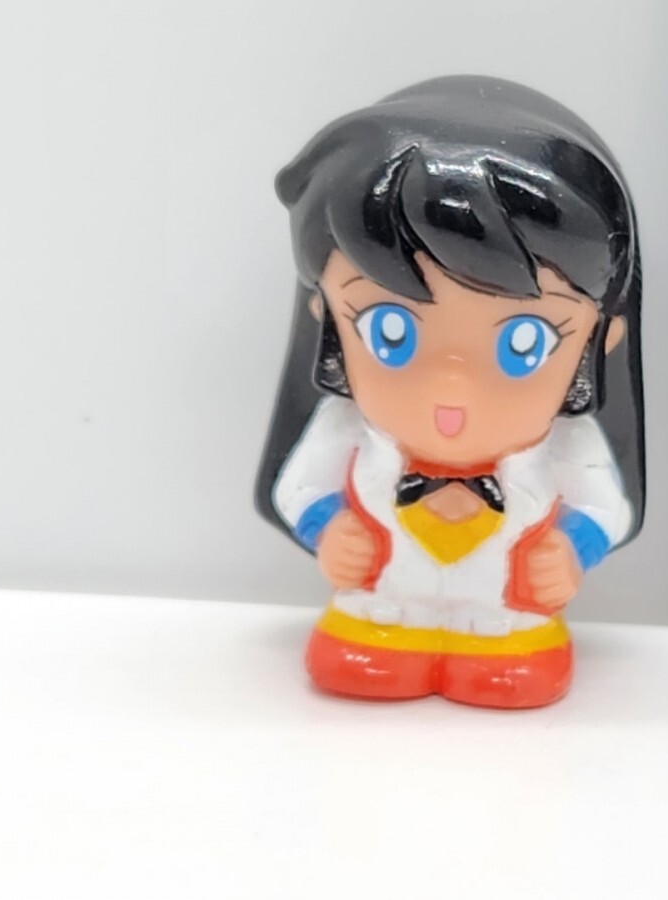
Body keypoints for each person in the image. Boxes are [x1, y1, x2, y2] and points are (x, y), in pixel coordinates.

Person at [255, 75, 645, 708]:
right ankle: (386, 641)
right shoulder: (344, 427)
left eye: (524, 343)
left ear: (597, 343)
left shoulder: (570, 443)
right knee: (363, 656)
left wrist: (571, 549)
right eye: (389, 332)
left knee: (507, 661)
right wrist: (330, 530)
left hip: (506, 619)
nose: (450, 389)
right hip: (380, 606)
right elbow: (297, 489)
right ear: (327, 322)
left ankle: (499, 653)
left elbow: (606, 507)